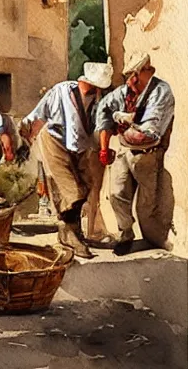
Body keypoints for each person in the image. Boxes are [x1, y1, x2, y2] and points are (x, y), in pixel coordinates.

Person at [19, 62, 112, 258]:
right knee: (72, 190)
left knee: (86, 186)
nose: (97, 91)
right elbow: (39, 115)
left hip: (79, 147)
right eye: (95, 87)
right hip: (55, 141)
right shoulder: (61, 91)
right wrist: (25, 140)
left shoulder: (98, 100)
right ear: (84, 82)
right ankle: (70, 236)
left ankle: (72, 232)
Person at [97, 52, 176, 256]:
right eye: (129, 76)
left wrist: (124, 120)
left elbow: (148, 134)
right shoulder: (124, 92)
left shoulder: (161, 92)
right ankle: (125, 234)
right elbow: (104, 108)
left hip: (148, 155)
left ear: (149, 72)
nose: (131, 81)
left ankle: (152, 239)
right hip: (124, 150)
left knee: (146, 203)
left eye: (136, 75)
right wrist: (105, 145)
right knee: (116, 193)